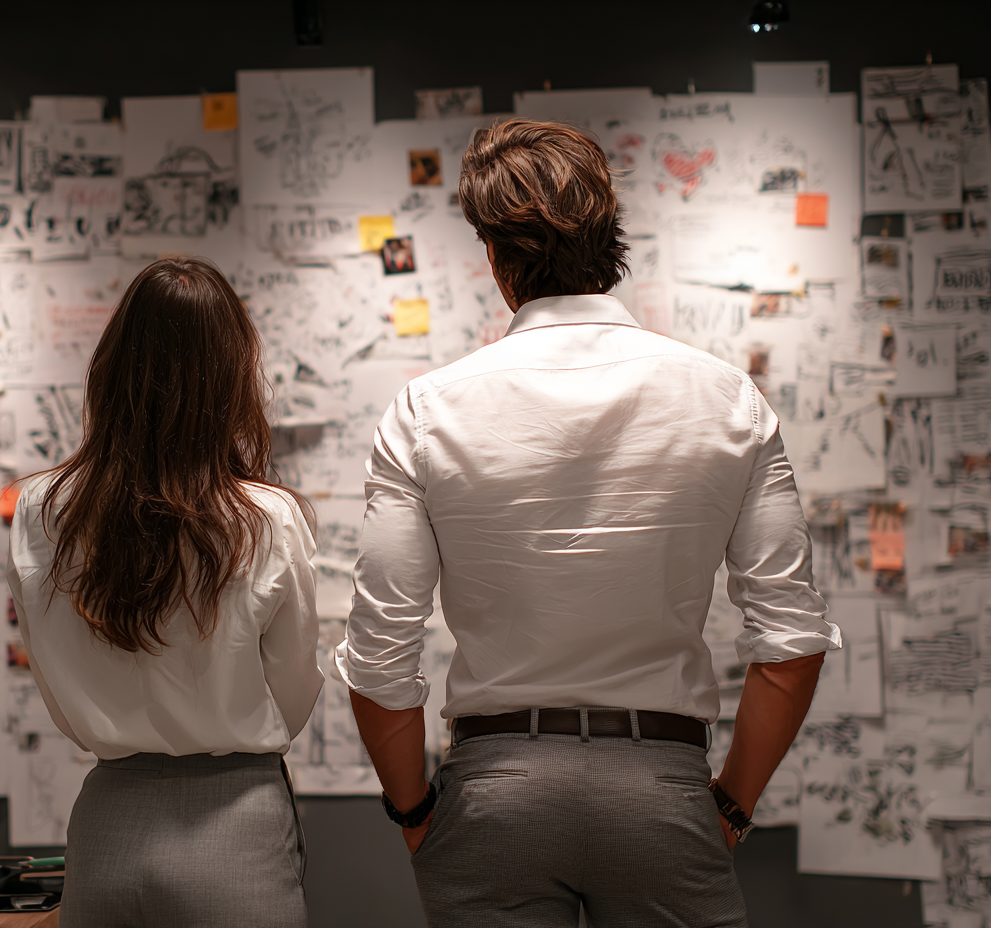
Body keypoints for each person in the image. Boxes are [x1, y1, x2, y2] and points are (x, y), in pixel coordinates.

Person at [335, 119, 842, 928]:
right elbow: (791, 644)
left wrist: (414, 815)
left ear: (497, 262)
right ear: (614, 241)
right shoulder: (729, 402)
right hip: (662, 789)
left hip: (494, 796)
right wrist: (732, 809)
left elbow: (379, 656)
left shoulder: (425, 412)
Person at [6, 256, 322, 928]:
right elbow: (293, 689)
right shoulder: (265, 516)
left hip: (107, 819)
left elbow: (52, 678)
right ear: (232, 378)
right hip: (236, 814)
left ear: (113, 368)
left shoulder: (40, 509)